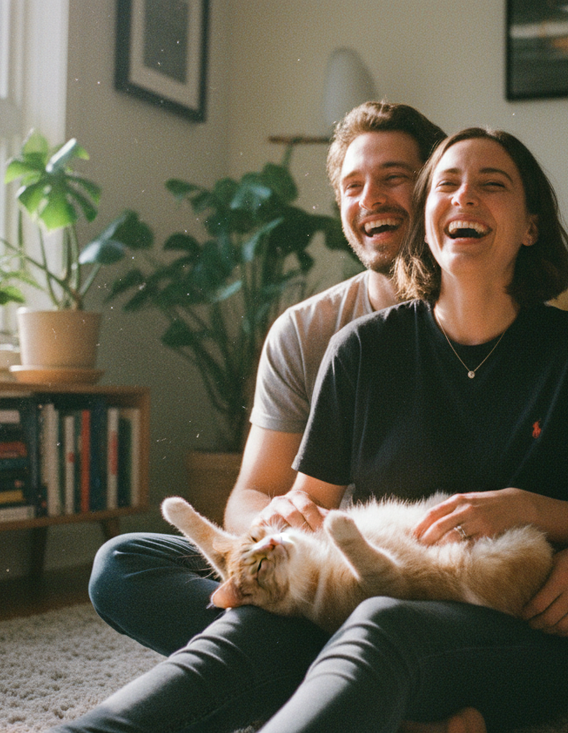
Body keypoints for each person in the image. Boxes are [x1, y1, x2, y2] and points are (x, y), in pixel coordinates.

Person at [0, 128, 568, 733]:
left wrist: (566, 529)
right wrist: (284, 525)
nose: (463, 196)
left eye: (492, 183)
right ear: (426, 221)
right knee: (162, 572)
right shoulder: (362, 347)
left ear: (529, 226)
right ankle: (393, 703)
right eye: (446, 183)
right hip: (362, 594)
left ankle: (368, 688)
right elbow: (308, 500)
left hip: (500, 609)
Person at [84, 101, 447, 657]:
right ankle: (346, 669)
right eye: (352, 186)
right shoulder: (304, 331)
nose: (369, 199)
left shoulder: (484, 322)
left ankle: (304, 662)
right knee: (122, 563)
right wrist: (274, 518)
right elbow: (249, 494)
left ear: (435, 187)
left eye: (393, 178)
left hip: (423, 579)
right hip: (315, 578)